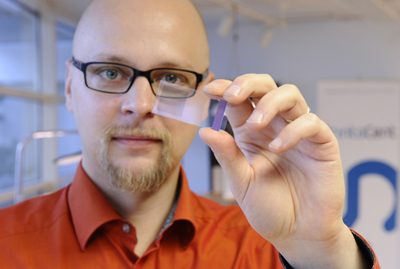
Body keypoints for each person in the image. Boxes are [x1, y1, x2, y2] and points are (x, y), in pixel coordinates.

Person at [0, 0, 380, 268]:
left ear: (205, 97)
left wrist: (321, 252)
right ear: (69, 87)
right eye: (111, 72)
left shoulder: (272, 249)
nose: (142, 104)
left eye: (171, 79)